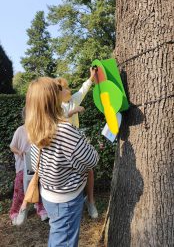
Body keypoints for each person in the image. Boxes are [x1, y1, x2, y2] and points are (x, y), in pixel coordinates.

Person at [25, 77, 99, 247]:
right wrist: (79, 163)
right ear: (52, 99)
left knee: (58, 235)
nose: (63, 92)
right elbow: (92, 160)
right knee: (64, 241)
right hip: (67, 200)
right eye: (57, 91)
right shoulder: (64, 130)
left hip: (50, 195)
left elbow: (41, 161)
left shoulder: (34, 128)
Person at [55, 67, 99, 219]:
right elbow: (58, 123)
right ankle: (75, 203)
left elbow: (83, 89)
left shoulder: (73, 99)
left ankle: (90, 201)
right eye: (66, 88)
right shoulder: (56, 108)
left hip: (76, 139)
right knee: (72, 173)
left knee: (89, 169)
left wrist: (91, 77)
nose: (69, 89)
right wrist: (72, 112)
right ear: (57, 94)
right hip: (63, 145)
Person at [9, 108, 48, 226]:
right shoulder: (20, 130)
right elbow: (12, 146)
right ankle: (16, 211)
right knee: (20, 188)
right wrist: (19, 152)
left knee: (40, 186)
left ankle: (41, 209)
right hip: (22, 166)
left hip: (36, 166)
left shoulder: (38, 130)